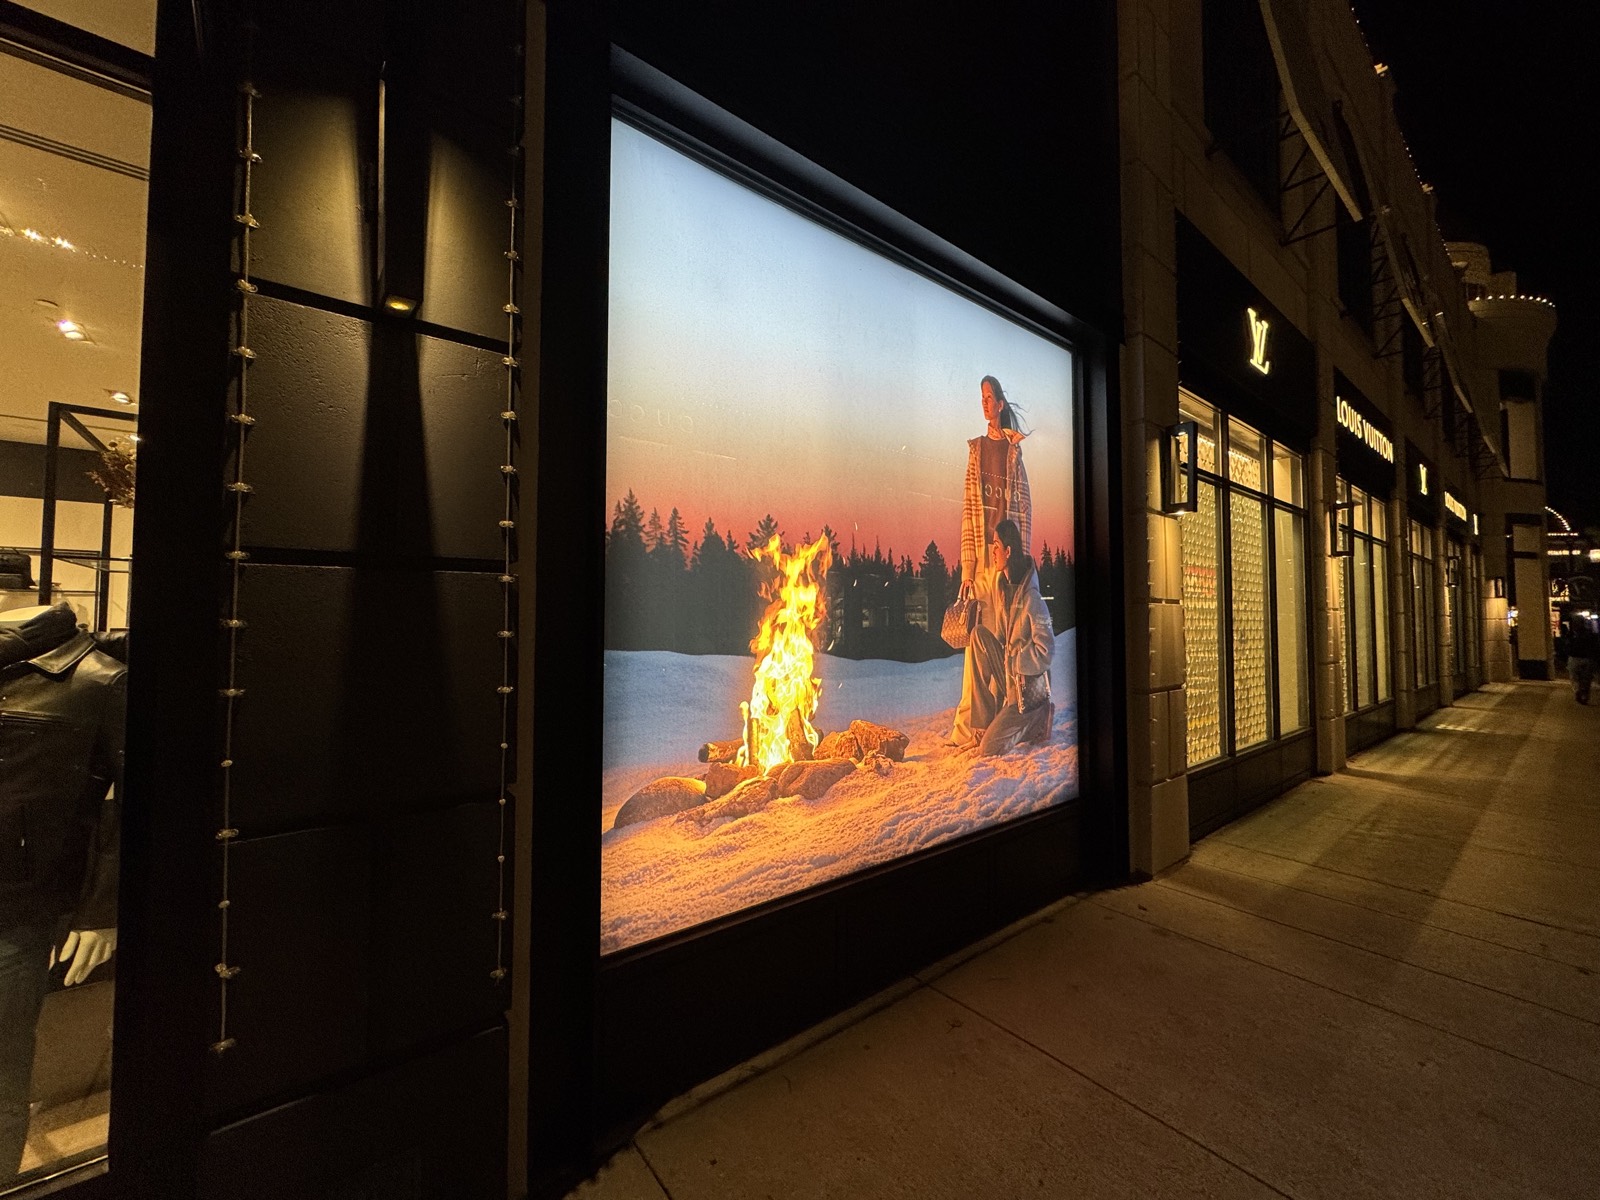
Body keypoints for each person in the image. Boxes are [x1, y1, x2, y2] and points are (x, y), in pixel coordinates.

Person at [1, 604, 124, 1181]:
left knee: (1, 1065)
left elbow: (133, 803)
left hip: (18, 908)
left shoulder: (98, 678)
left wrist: (103, 910)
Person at [950, 375, 1032, 745]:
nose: (984, 403)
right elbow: (969, 511)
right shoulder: (976, 450)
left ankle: (1006, 716)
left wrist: (1021, 561)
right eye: (980, 397)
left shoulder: (1014, 452)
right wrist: (967, 569)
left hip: (1007, 560)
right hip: (983, 561)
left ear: (1000, 403)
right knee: (976, 639)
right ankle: (972, 726)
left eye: (989, 397)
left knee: (1005, 637)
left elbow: (1024, 509)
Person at [968, 519, 1054, 755]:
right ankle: (984, 723)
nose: (992, 551)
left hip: (1027, 695)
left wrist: (1015, 662)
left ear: (1008, 550)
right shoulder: (1003, 588)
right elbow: (1000, 639)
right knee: (978, 636)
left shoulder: (1032, 599)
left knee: (989, 748)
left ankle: (1039, 719)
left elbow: (1047, 651)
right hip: (1009, 682)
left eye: (996, 546)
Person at [1567, 613, 1598, 704]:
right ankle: (1585, 694)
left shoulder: (1571, 633)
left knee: (1574, 677)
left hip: (1574, 657)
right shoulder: (1590, 633)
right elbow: (1594, 645)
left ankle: (1578, 691)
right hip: (1587, 658)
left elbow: (1568, 645)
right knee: (1586, 678)